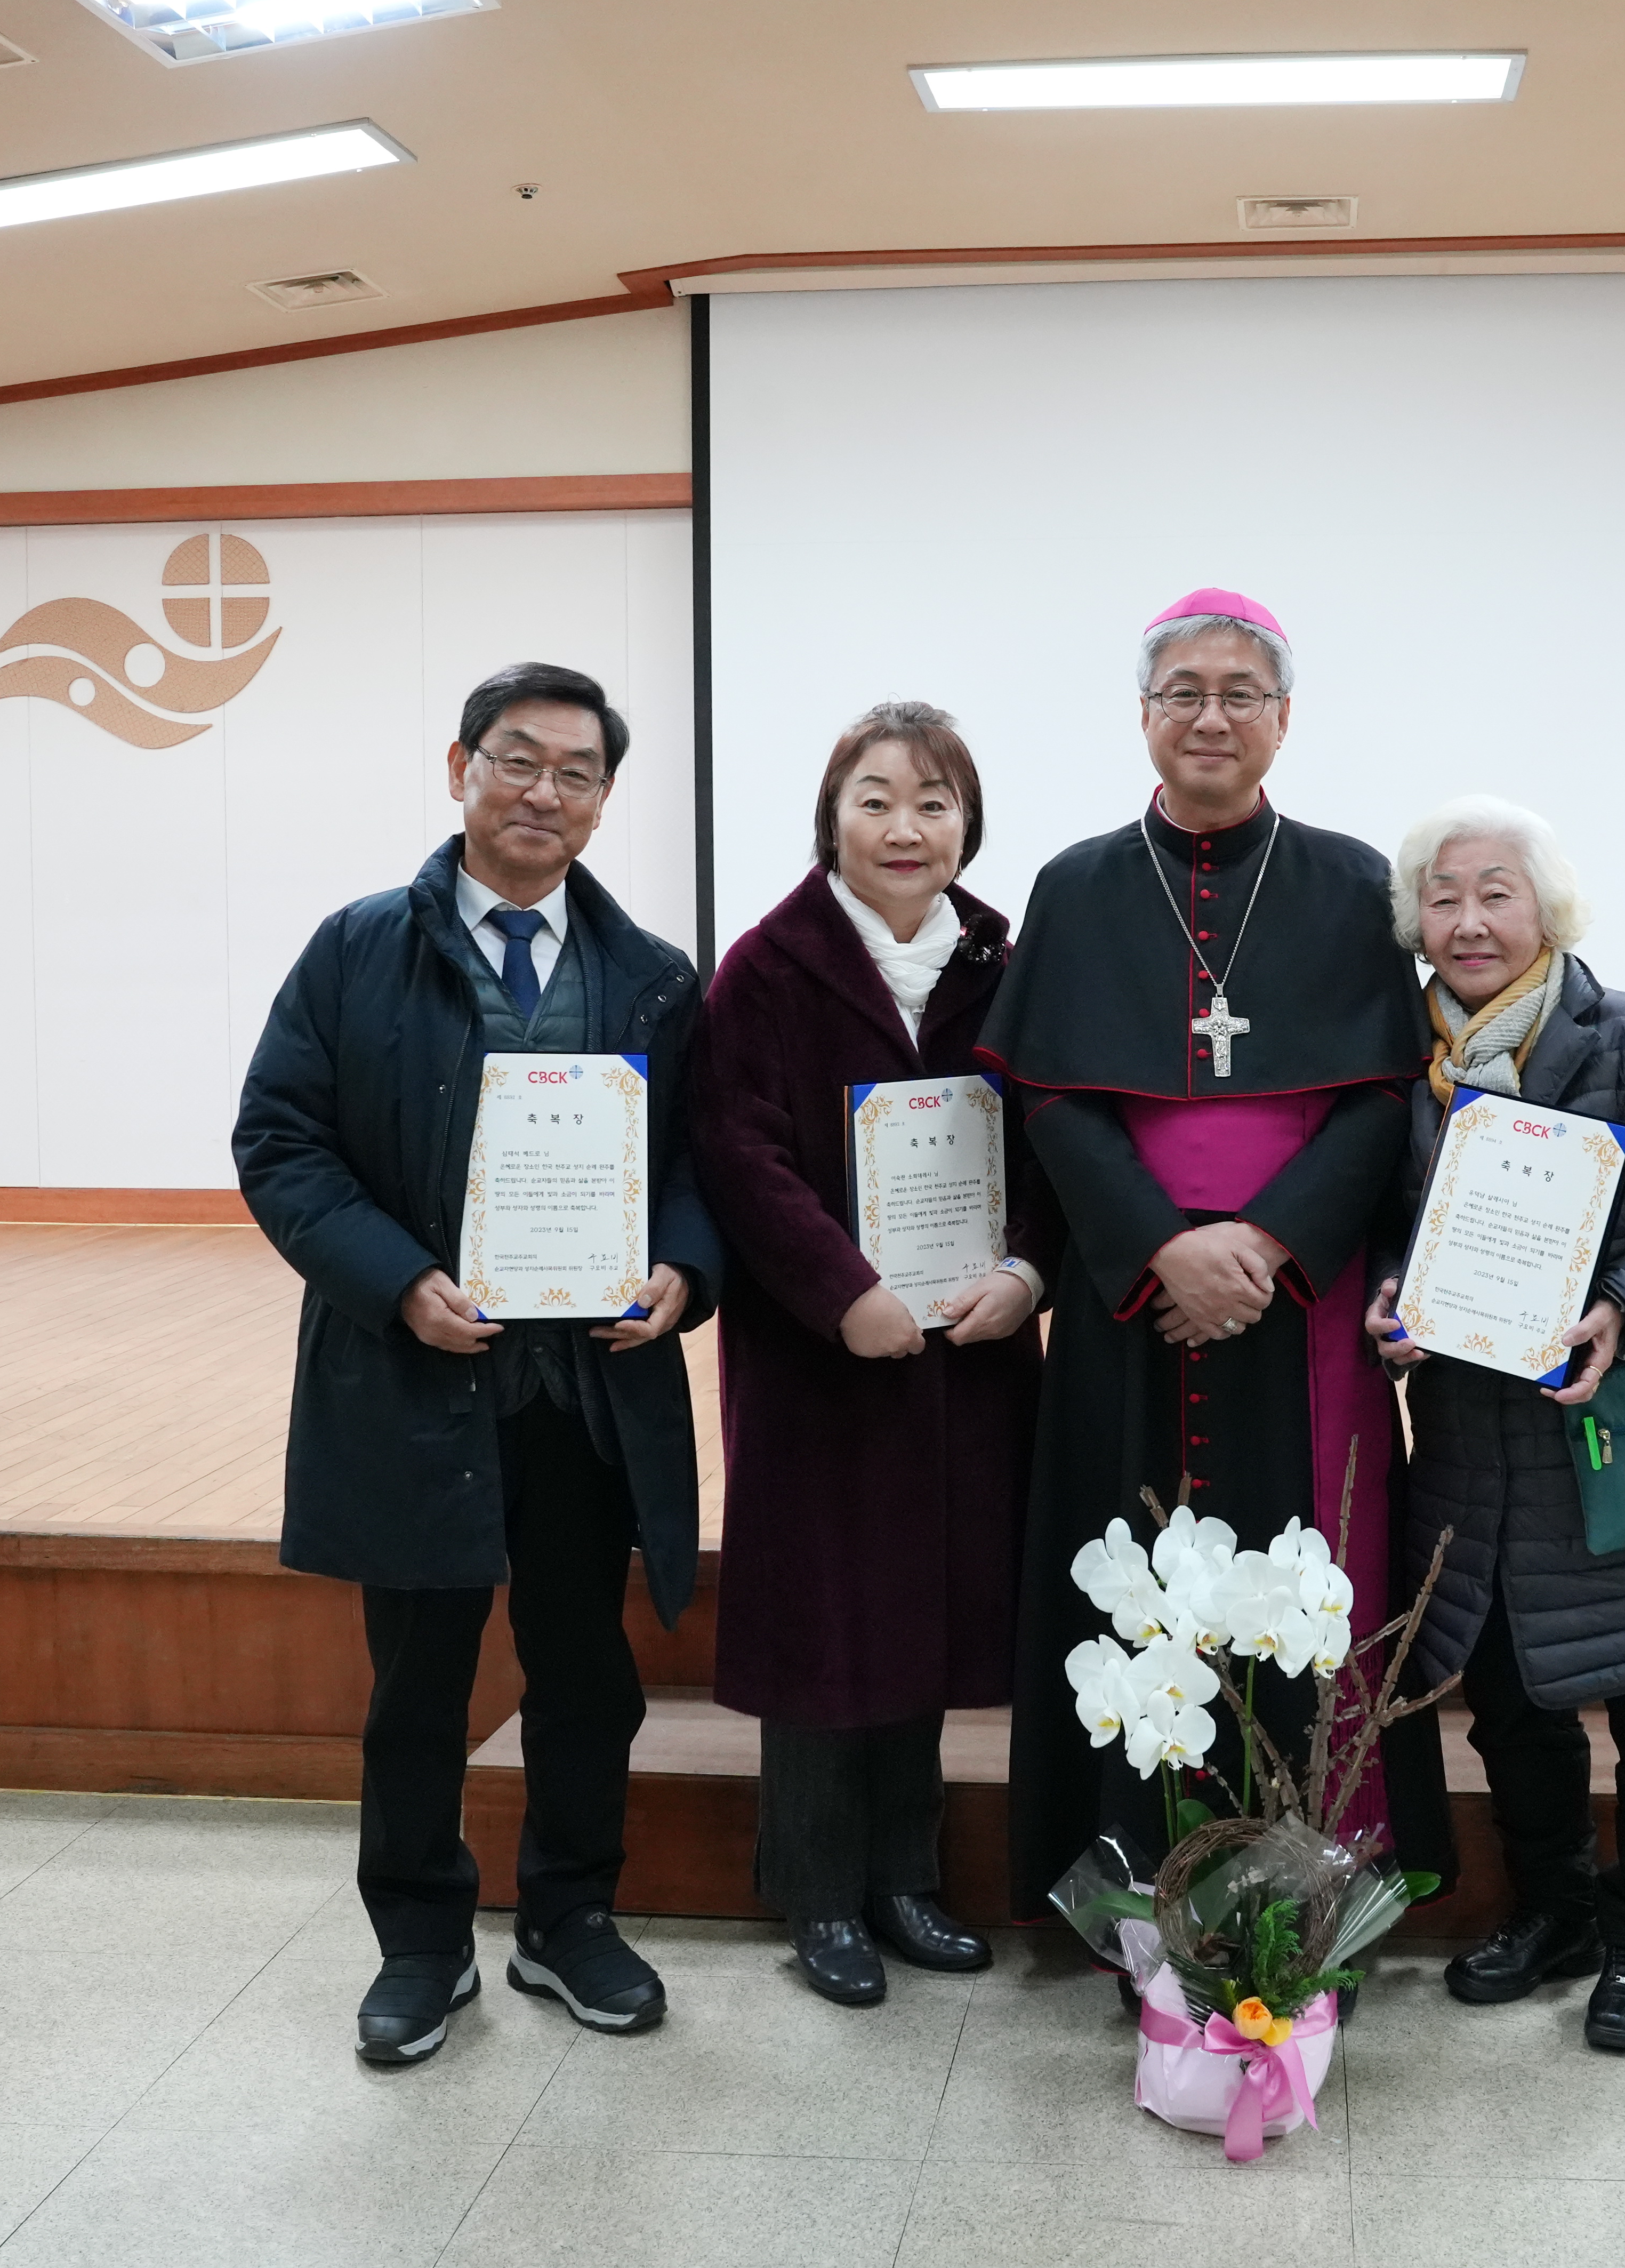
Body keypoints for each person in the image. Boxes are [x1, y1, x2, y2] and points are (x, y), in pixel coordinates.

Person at [234, 660, 722, 2065]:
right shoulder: (354, 950)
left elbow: (692, 1162)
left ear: (603, 798)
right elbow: (281, 1140)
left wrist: (682, 1273)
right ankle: (421, 1944)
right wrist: (398, 1283)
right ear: (458, 767)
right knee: (417, 1686)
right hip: (417, 1378)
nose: (543, 791)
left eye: (575, 771)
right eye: (517, 759)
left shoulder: (647, 977)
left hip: (586, 1395)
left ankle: (570, 1920)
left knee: (586, 1675)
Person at [982, 588, 1442, 1913]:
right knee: (1121, 1592)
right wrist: (1157, 1251)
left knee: (1315, 1580)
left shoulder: (1356, 882)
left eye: (1240, 693)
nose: (1210, 717)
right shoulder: (1075, 886)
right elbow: (1055, 1099)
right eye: (1182, 692)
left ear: (1283, 720)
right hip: (1129, 1299)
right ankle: (1125, 1891)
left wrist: (1265, 1244)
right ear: (1142, 717)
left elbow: (1375, 1097)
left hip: (1298, 1300)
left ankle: (1317, 1895)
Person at [1363, 795, 1625, 2055]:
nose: (1469, 919)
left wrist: (1619, 1309)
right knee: (1510, 1704)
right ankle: (1554, 1910)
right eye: (1442, 895)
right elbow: (1387, 1230)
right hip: (1475, 1453)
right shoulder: (1394, 1063)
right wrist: (1391, 1298)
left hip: (1618, 1435)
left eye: (1495, 891)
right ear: (1412, 920)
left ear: (1545, 908)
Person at [694, 702, 1059, 2006]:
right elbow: (739, 1154)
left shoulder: (1004, 964)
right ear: (829, 817)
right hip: (821, 1356)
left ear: (967, 821)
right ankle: (817, 1893)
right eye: (875, 799)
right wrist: (839, 1290)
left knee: (924, 1607)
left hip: (967, 1348)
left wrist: (1028, 1270)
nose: (906, 828)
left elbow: (1054, 1144)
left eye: (934, 802)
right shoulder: (768, 968)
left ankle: (906, 1878)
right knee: (823, 1619)